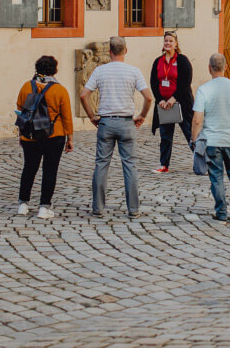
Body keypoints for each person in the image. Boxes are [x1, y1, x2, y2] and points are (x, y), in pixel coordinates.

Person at [79, 36, 153, 218]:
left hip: (106, 122)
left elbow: (83, 95)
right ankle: (133, 209)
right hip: (127, 122)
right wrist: (142, 115)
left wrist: (91, 116)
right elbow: (149, 97)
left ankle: (98, 207)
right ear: (125, 51)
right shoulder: (133, 71)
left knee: (101, 165)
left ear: (110, 52)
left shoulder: (100, 71)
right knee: (130, 166)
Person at [190, 53, 230, 223]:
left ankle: (221, 213)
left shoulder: (204, 89)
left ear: (209, 68)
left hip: (212, 140)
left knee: (216, 176)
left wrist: (194, 141)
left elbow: (197, 119)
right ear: (226, 67)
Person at [16, 55, 74, 220]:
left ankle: (23, 204)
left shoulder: (26, 86)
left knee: (29, 168)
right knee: (50, 170)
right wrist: (69, 138)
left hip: (31, 134)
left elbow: (20, 110)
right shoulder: (60, 90)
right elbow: (67, 117)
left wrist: (22, 133)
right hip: (54, 135)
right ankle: (44, 206)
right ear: (55, 70)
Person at [150, 31, 194, 173]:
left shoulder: (182, 60)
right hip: (164, 106)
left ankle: (203, 162)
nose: (168, 43)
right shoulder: (158, 61)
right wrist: (161, 100)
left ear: (176, 43)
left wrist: (173, 98)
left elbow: (185, 82)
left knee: (190, 134)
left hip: (181, 103)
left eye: (170, 41)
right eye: (166, 41)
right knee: (165, 136)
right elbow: (154, 82)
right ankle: (164, 165)